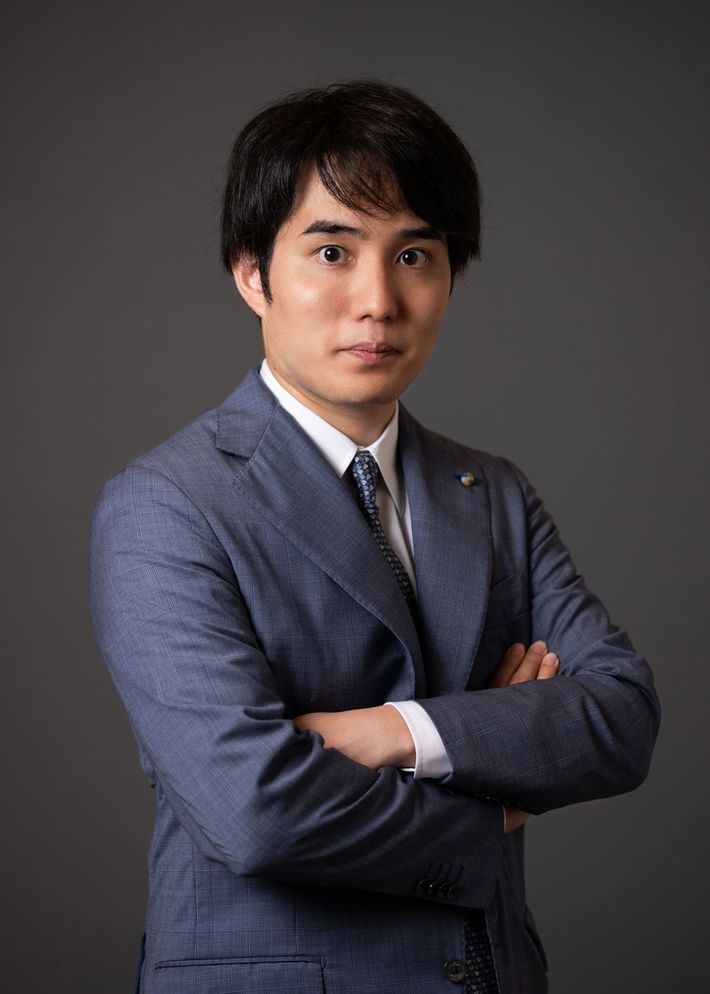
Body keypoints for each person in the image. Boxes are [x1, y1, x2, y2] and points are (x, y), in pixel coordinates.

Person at [88, 80, 660, 994]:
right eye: (332, 251)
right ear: (252, 273)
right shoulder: (166, 504)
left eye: (415, 256)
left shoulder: (493, 492)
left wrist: (397, 732)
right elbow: (256, 811)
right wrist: (496, 795)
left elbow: (621, 716)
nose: (379, 300)